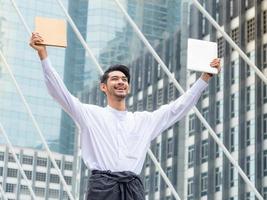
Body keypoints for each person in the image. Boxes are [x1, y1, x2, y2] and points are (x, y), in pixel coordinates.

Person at [30, 32, 221, 200]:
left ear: (128, 87)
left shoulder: (144, 121)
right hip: (102, 189)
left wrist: (204, 79)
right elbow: (59, 92)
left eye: (124, 79)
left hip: (133, 189)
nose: (121, 82)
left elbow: (177, 108)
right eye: (115, 78)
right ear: (103, 87)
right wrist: (43, 55)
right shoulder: (90, 114)